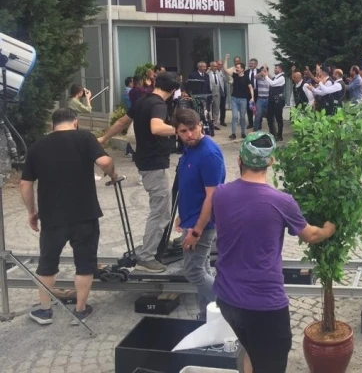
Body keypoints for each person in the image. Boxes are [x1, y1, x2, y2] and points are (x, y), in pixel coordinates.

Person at [212, 133, 337, 373]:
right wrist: (329, 229)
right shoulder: (282, 201)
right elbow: (311, 235)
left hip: (227, 298)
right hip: (264, 305)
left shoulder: (220, 194)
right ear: (271, 161)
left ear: (239, 159)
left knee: (250, 351)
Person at [20, 108, 117, 325]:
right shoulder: (85, 138)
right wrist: (112, 172)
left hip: (52, 216)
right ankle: (80, 311)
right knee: (85, 262)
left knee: (47, 262)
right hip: (85, 213)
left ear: (52, 124)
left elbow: (25, 184)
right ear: (75, 122)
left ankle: (44, 311)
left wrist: (31, 212)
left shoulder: (37, 146)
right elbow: (104, 162)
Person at [98, 72, 179, 273]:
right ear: (172, 90)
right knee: (161, 212)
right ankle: (147, 256)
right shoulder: (159, 105)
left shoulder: (143, 100)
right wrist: (181, 129)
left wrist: (104, 138)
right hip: (154, 163)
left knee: (160, 208)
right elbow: (156, 128)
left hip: (144, 160)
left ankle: (156, 243)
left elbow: (122, 122)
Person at [173, 109, 225, 320]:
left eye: (192, 129)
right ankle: (206, 316)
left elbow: (212, 197)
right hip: (191, 218)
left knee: (193, 271)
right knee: (203, 268)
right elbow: (190, 187)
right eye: (183, 131)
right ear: (176, 132)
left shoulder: (208, 154)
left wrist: (196, 231)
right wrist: (182, 215)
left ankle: (227, 304)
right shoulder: (190, 148)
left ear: (200, 126)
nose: (189, 135)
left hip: (202, 224)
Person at [223, 55, 254, 140]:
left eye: (238, 67)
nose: (236, 68)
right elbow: (225, 69)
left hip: (243, 100)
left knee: (243, 117)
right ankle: (233, 133)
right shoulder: (235, 75)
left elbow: (251, 88)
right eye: (236, 67)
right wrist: (226, 59)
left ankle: (243, 133)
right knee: (234, 116)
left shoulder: (246, 78)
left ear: (242, 69)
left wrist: (252, 98)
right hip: (234, 99)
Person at [259, 64, 286, 141]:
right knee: (269, 117)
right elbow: (270, 81)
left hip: (278, 100)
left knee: (278, 118)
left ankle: (279, 135)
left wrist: (266, 75)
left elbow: (272, 83)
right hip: (271, 99)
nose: (274, 69)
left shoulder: (282, 78)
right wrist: (265, 71)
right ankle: (272, 133)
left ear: (280, 69)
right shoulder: (275, 77)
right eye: (275, 68)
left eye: (276, 68)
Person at [253, 66, 270, 132]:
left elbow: (272, 78)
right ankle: (255, 130)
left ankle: (272, 130)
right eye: (262, 70)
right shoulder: (259, 78)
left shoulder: (269, 78)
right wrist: (262, 72)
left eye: (265, 70)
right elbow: (255, 76)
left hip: (267, 99)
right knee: (258, 115)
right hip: (260, 99)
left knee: (269, 115)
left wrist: (267, 73)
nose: (263, 71)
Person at [207, 61, 223, 130]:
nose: (215, 67)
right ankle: (209, 123)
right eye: (214, 66)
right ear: (211, 66)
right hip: (210, 94)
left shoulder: (219, 73)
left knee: (216, 109)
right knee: (209, 109)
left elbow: (223, 81)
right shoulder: (208, 74)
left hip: (217, 94)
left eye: (216, 66)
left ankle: (215, 124)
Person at [245, 58, 259, 130]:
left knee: (258, 108)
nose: (251, 65)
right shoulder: (246, 72)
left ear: (256, 64)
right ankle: (250, 123)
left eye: (253, 63)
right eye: (250, 63)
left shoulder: (259, 71)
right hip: (248, 92)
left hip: (257, 92)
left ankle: (258, 123)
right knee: (249, 108)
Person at [216, 59, 228, 127]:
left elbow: (225, 80)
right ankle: (214, 121)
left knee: (223, 107)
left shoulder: (222, 72)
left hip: (223, 92)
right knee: (215, 107)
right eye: (219, 64)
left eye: (221, 64)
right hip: (216, 93)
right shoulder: (212, 72)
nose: (220, 65)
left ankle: (222, 121)